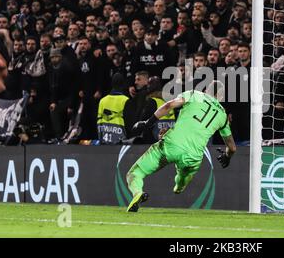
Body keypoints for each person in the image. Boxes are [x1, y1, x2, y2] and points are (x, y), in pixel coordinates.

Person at [126, 81, 236, 212]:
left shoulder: (194, 94)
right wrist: (227, 156)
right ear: (221, 98)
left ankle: (138, 192)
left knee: (135, 173)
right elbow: (232, 147)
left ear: (206, 90)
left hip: (172, 146)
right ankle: (179, 186)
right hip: (193, 157)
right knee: (183, 176)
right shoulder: (223, 116)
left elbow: (169, 105)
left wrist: (147, 123)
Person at [96, 73, 129, 144]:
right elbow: (129, 123)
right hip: (120, 141)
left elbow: (99, 121)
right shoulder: (126, 100)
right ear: (123, 84)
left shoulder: (102, 101)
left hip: (104, 141)